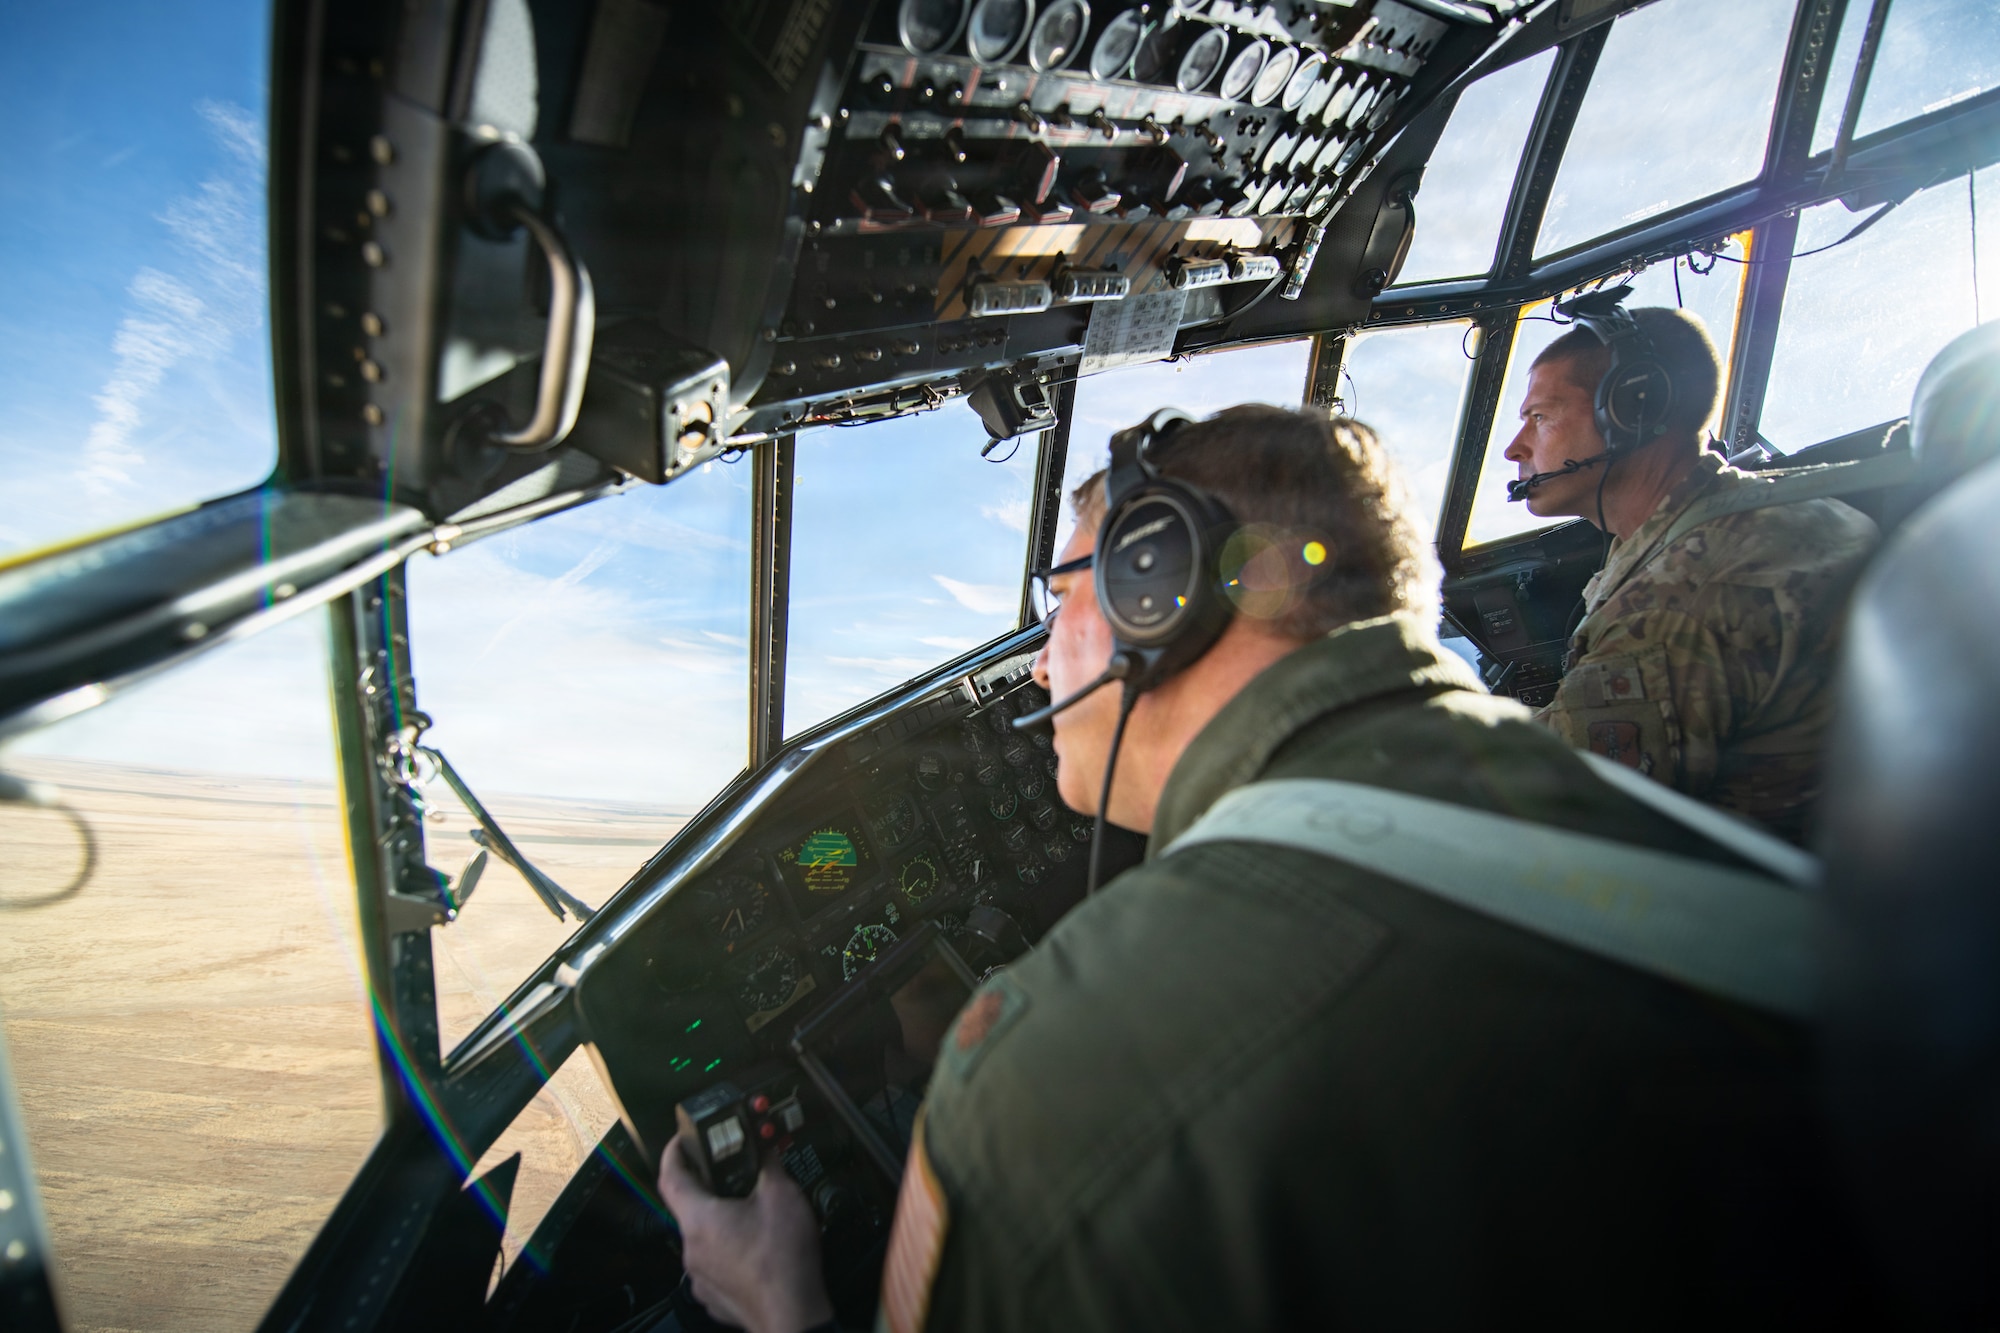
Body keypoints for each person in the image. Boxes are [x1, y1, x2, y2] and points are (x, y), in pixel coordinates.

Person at [660, 405, 1874, 1331]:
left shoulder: (1051, 1067)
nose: (1039, 666)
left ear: (1159, 595)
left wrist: (781, 1304)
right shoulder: (1601, 797)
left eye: (1057, 606)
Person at [1501, 306, 1877, 842]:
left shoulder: (1685, 594)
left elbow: (1552, 799)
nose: (1516, 448)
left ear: (1634, 408)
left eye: (1540, 416)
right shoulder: (1736, 512)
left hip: (1775, 899)